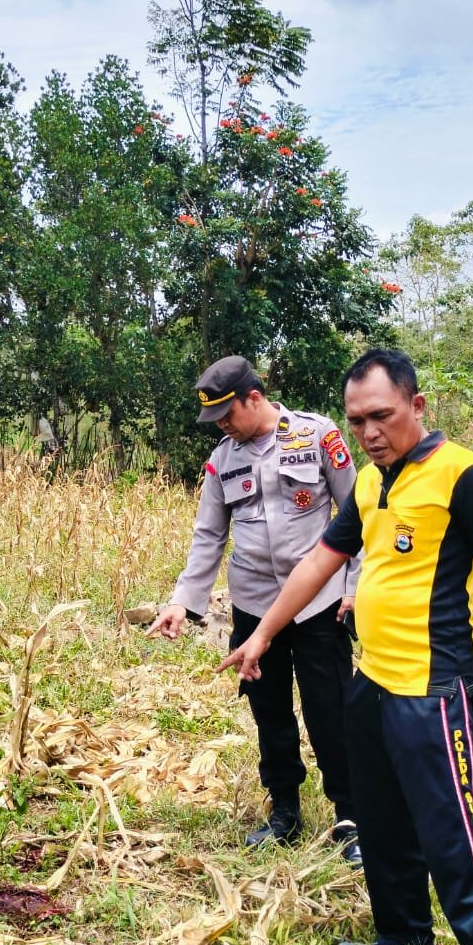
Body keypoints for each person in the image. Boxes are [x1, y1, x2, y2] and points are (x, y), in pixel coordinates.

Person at [219, 348, 473, 945]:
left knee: (460, 842)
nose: (370, 431)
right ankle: (402, 942)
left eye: (381, 415)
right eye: (357, 420)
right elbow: (321, 562)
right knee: (382, 827)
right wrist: (260, 637)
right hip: (370, 684)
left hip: (433, 695)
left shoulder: (462, 473)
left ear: (417, 407)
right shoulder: (372, 485)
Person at [148, 355, 361, 862]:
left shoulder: (316, 436)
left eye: (227, 413)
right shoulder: (223, 459)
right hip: (251, 605)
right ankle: (284, 810)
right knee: (269, 712)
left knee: (330, 709)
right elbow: (208, 537)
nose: (221, 425)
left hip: (319, 603)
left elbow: (360, 514)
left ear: (255, 398)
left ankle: (351, 817)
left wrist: (356, 585)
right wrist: (183, 601)